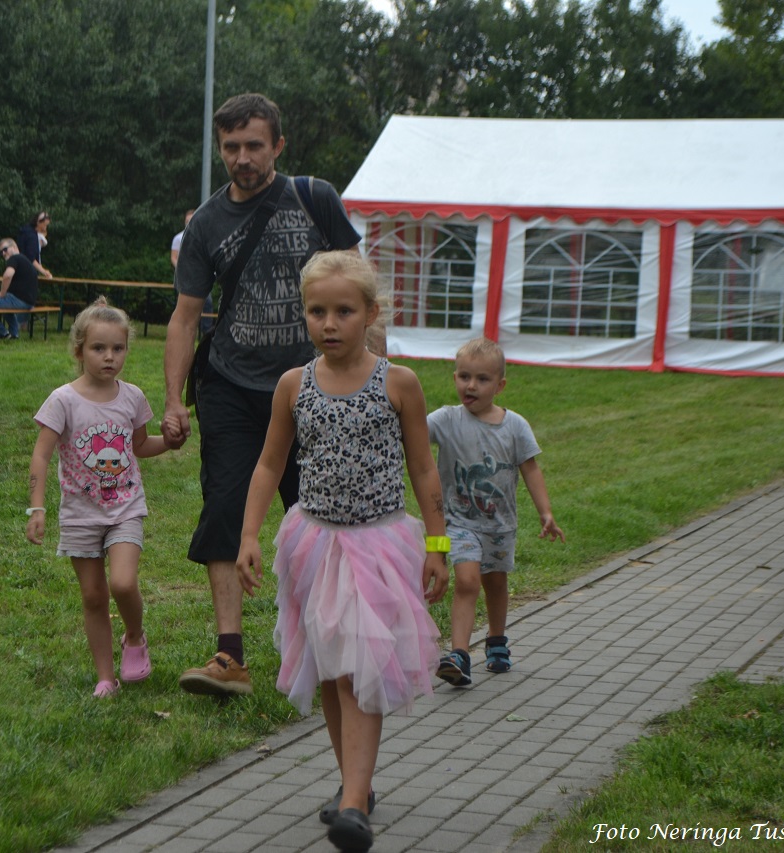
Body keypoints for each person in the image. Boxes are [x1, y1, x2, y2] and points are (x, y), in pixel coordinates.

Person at [236, 252, 448, 853]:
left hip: (378, 546)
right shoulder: (294, 385)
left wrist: (438, 546)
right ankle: (355, 784)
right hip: (315, 544)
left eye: (344, 312)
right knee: (332, 671)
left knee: (358, 670)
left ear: (371, 313)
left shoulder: (398, 383)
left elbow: (423, 468)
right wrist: (249, 535)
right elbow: (270, 463)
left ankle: (354, 802)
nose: (329, 324)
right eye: (317, 311)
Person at [161, 92, 361, 697]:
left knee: (321, 514)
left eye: (254, 145)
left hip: (313, 388)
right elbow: (185, 318)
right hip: (230, 385)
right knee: (224, 507)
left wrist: (367, 380)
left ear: (278, 145)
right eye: (231, 147)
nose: (242, 158)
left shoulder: (315, 198)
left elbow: (359, 290)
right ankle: (230, 657)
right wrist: (173, 400)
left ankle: (331, 645)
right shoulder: (205, 224)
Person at [26, 298, 181, 697]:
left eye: (118, 348)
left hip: (125, 507)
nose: (109, 357)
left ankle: (135, 636)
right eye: (98, 348)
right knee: (93, 596)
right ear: (79, 351)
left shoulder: (132, 398)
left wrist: (171, 442)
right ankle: (105, 678)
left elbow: (139, 446)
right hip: (80, 514)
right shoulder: (63, 400)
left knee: (123, 584)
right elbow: (41, 455)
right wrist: (37, 507)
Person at [428, 338, 565, 685]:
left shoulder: (514, 426)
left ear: (500, 385)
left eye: (482, 379)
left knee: (496, 582)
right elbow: (412, 431)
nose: (471, 386)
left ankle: (497, 640)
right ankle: (459, 655)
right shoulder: (446, 420)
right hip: (458, 522)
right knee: (467, 581)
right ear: (455, 377)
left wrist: (546, 512)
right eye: (464, 377)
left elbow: (530, 469)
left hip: (500, 526)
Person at [0, 238, 38, 340]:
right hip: (29, 302)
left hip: (19, 301)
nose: (3, 253)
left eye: (5, 249)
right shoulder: (25, 260)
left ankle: (2, 332)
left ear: (14, 247)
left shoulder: (14, 258)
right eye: (1, 252)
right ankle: (14, 334)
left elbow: (7, 275)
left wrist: (2, 294)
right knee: (5, 304)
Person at [171, 209, 216, 337]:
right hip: (184, 278)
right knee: (185, 307)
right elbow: (173, 257)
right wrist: (184, 269)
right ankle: (183, 333)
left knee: (207, 303)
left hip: (201, 278)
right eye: (187, 220)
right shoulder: (178, 238)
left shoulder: (204, 238)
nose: (189, 223)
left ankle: (206, 332)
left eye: (191, 220)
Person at [17, 211, 52, 277]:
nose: (45, 228)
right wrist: (44, 272)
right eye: (45, 225)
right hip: (27, 273)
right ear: (38, 222)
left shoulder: (25, 231)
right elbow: (31, 258)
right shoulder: (32, 236)